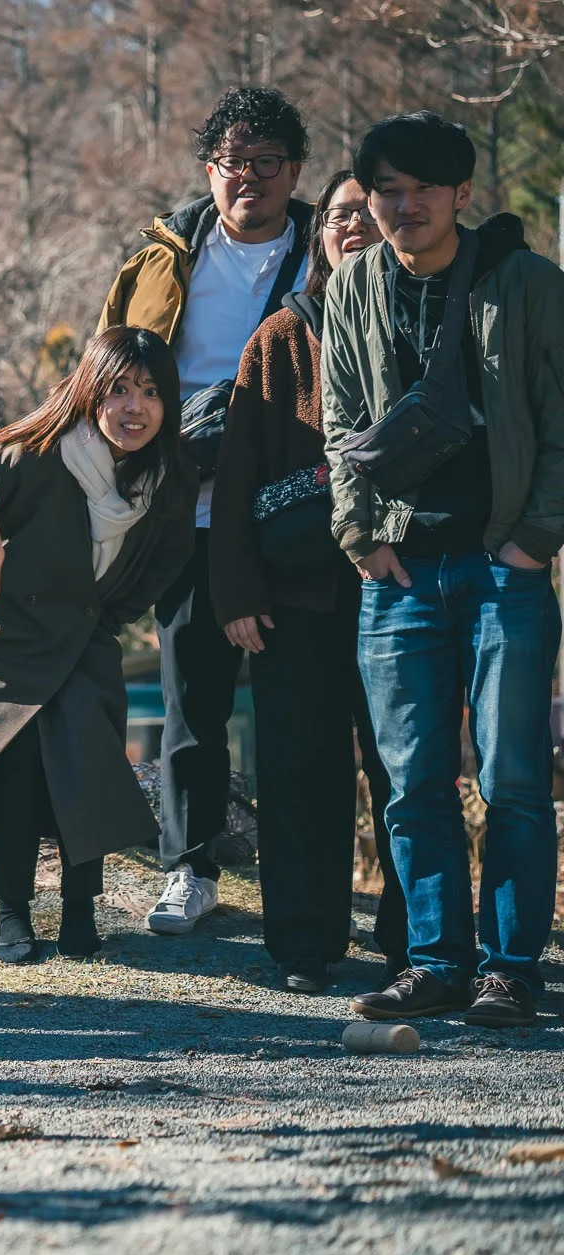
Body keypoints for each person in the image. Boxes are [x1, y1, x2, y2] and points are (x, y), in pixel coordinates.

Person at [330, 114, 564, 1030]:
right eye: (388, 187)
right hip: (397, 571)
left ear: (462, 194)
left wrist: (535, 537)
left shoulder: (527, 283)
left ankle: (511, 970)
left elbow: (558, 419)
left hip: (504, 562)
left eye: (424, 185)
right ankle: (434, 962)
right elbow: (342, 419)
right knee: (412, 779)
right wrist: (360, 534)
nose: (404, 202)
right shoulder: (354, 284)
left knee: (511, 776)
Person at [0, 328, 195, 963]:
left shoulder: (167, 478)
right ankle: (12, 914)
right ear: (89, 392)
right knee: (19, 770)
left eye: (151, 393)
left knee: (87, 757)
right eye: (119, 390)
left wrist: (102, 619)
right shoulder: (32, 455)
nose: (135, 408)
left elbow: (164, 565)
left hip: (82, 640)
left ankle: (81, 910)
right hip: (3, 640)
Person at [100, 87, 315, 936]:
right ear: (210, 170)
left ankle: (305, 873)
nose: (250, 179)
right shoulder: (167, 253)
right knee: (193, 696)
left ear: (294, 172)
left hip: (293, 508)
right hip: (186, 506)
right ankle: (188, 868)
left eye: (268, 164)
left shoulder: (325, 253)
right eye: (235, 163)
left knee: (303, 699)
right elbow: (109, 364)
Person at [208, 168, 406, 994]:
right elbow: (236, 478)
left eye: (366, 212)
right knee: (298, 772)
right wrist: (239, 592)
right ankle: (302, 943)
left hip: (399, 588)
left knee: (405, 769)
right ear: (318, 236)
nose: (350, 226)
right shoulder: (280, 338)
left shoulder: (425, 324)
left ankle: (416, 942)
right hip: (295, 598)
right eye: (335, 216)